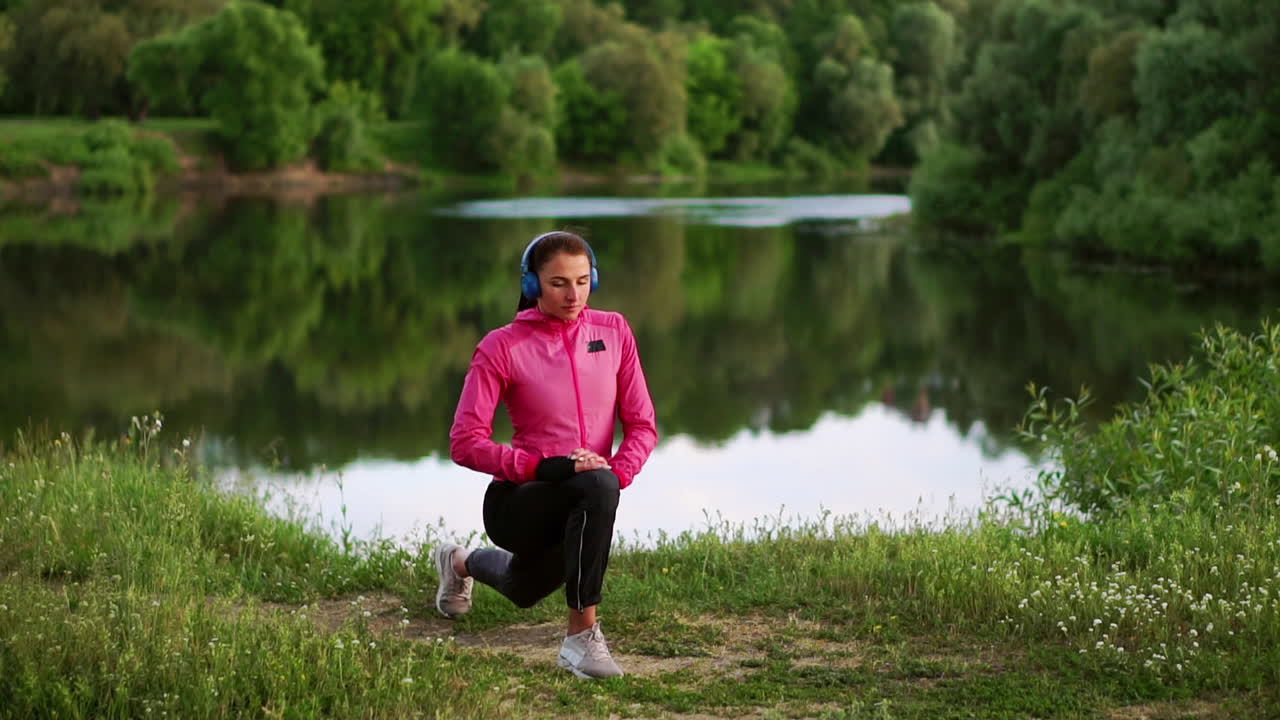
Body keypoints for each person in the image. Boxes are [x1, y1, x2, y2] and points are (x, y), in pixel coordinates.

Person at [436, 230, 659, 679]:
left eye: (581, 281)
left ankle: (458, 561)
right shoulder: (502, 346)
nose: (572, 294)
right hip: (520, 501)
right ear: (533, 284)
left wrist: (615, 472)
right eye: (558, 283)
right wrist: (542, 466)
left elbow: (642, 426)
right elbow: (465, 440)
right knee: (595, 487)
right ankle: (581, 641)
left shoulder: (613, 331)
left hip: (586, 501)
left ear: (592, 280)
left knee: (522, 588)